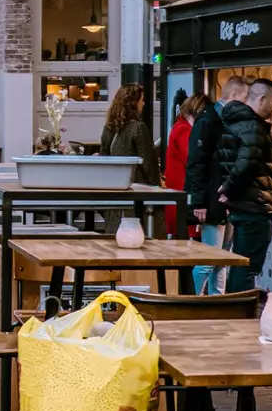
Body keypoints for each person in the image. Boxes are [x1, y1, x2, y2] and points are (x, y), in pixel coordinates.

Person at [212, 78, 272, 292]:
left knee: (241, 264)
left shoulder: (236, 123)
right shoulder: (253, 127)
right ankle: (239, 311)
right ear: (261, 99)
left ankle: (236, 308)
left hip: (243, 204)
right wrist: (228, 188)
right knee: (247, 266)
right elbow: (247, 163)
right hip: (254, 204)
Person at [186, 77, 246, 291]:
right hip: (213, 200)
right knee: (211, 259)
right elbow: (197, 163)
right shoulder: (209, 121)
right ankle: (192, 302)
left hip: (222, 200)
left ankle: (216, 302)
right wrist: (199, 201)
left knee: (221, 259)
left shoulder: (217, 120)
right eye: (245, 99)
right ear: (235, 96)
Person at [163, 90, 205, 239]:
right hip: (183, 193)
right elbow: (192, 158)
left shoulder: (179, 126)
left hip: (178, 192)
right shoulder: (184, 129)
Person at [99, 84, 160, 185]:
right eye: (142, 100)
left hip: (115, 184)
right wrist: (157, 188)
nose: (143, 103)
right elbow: (148, 164)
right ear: (133, 103)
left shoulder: (109, 127)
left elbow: (104, 157)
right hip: (136, 186)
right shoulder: (138, 127)